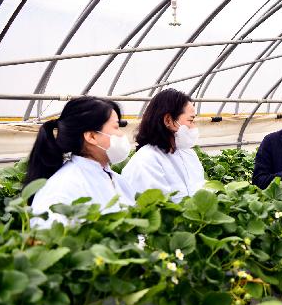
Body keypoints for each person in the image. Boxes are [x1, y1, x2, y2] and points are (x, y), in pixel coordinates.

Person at [27, 97, 135, 228]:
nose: (121, 135)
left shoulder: (114, 179)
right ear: (91, 136)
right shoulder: (62, 188)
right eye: (116, 127)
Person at [122, 89, 205, 202]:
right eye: (191, 120)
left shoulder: (188, 154)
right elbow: (157, 209)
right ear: (168, 120)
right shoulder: (146, 161)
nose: (194, 127)